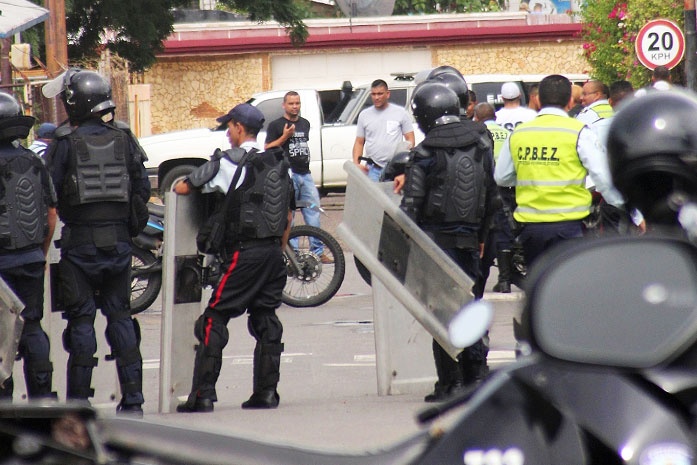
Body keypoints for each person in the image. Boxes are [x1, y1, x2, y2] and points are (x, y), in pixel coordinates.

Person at [42, 69, 150, 415]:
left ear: (75, 103)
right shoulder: (125, 138)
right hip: (119, 245)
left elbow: (50, 192)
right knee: (120, 317)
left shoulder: (63, 144)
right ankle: (133, 400)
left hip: (79, 248)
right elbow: (142, 190)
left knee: (81, 322)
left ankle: (78, 403)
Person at [174, 103, 293, 412]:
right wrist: (278, 250)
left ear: (240, 127)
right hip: (272, 253)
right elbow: (288, 214)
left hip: (244, 254)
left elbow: (183, 187)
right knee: (266, 318)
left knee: (214, 318)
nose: (227, 132)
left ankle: (203, 395)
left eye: (229, 126)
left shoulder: (227, 163)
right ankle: (266, 394)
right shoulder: (278, 162)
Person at [402, 81, 497, 402]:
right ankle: (477, 377)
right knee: (469, 308)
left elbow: (412, 205)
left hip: (436, 243)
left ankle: (450, 383)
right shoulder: (481, 145)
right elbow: (491, 198)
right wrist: (482, 238)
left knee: (442, 313)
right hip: (472, 240)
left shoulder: (425, 152)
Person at [494, 74, 626, 269]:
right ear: (570, 101)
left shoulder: (519, 133)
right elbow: (603, 178)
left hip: (531, 230)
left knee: (538, 289)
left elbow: (502, 177)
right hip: (570, 228)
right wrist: (624, 208)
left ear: (538, 99)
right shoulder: (579, 131)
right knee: (570, 288)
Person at [0, 93, 58, 401]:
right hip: (32, 258)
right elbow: (51, 213)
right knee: (32, 326)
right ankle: (42, 398)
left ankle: (5, 405)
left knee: (2, 335)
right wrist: (42, 253)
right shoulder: (34, 160)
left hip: (3, 265)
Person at [265, 91, 330, 263]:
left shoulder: (305, 124)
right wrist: (285, 137)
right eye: (291, 103)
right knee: (289, 216)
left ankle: (318, 251)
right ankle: (292, 255)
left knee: (313, 212)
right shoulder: (276, 125)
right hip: (288, 174)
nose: (295, 107)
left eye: (297, 103)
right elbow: (268, 147)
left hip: (305, 174)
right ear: (284, 105)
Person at [472, 102, 516, 295]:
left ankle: (480, 276)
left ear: (476, 118)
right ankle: (505, 280)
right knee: (505, 232)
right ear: (495, 117)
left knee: (486, 234)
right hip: (506, 187)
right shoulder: (507, 133)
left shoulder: (476, 134)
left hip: (485, 188)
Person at [352, 79, 415, 181]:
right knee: (373, 196)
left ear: (387, 94)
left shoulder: (401, 113)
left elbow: (410, 139)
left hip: (394, 168)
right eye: (373, 94)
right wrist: (356, 164)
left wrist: (404, 162)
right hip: (372, 168)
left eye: (380, 94)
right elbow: (359, 142)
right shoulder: (364, 115)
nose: (376, 97)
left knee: (393, 196)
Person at [576, 79, 613, 145]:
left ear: (597, 95)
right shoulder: (615, 110)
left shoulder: (586, 115)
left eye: (584, 94)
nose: (581, 98)